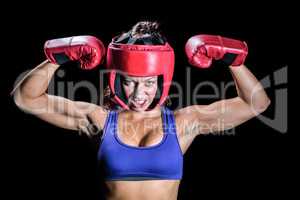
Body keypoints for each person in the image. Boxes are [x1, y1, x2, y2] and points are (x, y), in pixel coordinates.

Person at [12, 21, 270, 200]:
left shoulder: (184, 122)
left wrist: (232, 60)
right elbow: (25, 98)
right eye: (129, 81)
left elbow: (256, 103)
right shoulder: (99, 120)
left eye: (148, 83)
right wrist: (58, 57)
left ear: (161, 80)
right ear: (116, 79)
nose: (138, 93)